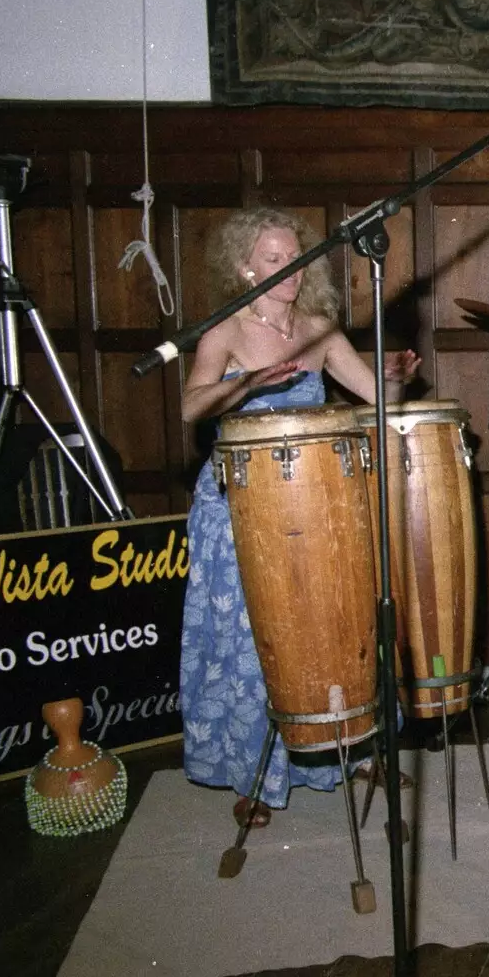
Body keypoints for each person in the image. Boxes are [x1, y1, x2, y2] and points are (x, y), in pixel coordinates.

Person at [178, 206, 419, 830]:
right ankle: (251, 772)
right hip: (238, 505)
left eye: (296, 257)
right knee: (252, 640)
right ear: (244, 268)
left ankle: (347, 750)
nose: (289, 270)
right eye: (273, 259)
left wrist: (395, 377)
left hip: (315, 506)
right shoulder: (225, 331)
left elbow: (377, 397)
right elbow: (190, 408)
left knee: (329, 629)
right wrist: (248, 384)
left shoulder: (320, 331)